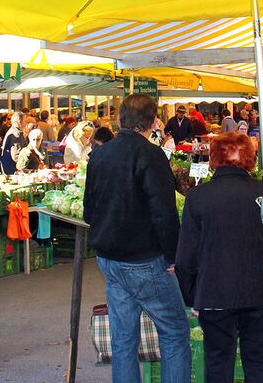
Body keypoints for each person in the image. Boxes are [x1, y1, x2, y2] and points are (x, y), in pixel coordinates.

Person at [83, 94, 190, 382]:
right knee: (175, 333)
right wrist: (173, 256)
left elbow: (89, 210)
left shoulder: (99, 155)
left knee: (123, 340)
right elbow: (164, 213)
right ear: (154, 122)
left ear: (119, 121)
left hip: (109, 259)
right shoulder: (152, 155)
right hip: (145, 260)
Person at [175, 133, 263, 382]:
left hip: (214, 295)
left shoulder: (198, 197)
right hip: (259, 293)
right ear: (250, 159)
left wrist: (193, 297)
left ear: (213, 159)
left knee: (218, 363)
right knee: (259, 362)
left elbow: (186, 256)